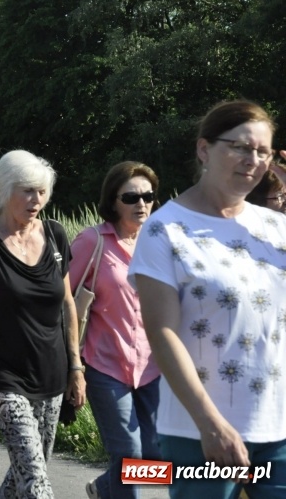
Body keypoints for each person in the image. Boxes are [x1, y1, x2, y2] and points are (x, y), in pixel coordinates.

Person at [130, 100, 286, 499]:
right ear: (204, 150)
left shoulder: (274, 227)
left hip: (279, 428)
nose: (252, 160)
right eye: (239, 147)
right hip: (200, 433)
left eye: (262, 152)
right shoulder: (165, 230)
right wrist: (209, 424)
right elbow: (162, 333)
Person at [0, 150, 85, 498]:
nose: (36, 200)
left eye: (42, 192)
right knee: (36, 479)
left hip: (52, 374)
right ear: (5, 190)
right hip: (6, 378)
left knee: (25, 474)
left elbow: (67, 303)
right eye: (27, 191)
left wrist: (76, 366)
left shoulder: (56, 235)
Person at [69, 161, 162, 499]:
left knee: (157, 455)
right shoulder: (91, 241)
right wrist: (72, 366)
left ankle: (105, 488)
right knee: (129, 454)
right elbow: (63, 301)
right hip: (105, 365)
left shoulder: (158, 242)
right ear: (113, 200)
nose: (141, 203)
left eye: (148, 196)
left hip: (154, 367)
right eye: (131, 196)